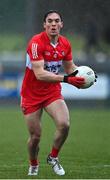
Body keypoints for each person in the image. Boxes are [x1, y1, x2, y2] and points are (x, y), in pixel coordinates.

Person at [20, 10, 85, 176]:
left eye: (57, 21)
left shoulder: (65, 44)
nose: (53, 24)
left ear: (61, 24)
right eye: (50, 21)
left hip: (51, 92)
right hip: (31, 94)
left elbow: (70, 68)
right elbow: (39, 74)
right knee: (35, 136)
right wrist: (66, 79)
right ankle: (33, 164)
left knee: (64, 124)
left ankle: (53, 157)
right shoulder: (36, 43)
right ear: (44, 25)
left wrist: (85, 75)